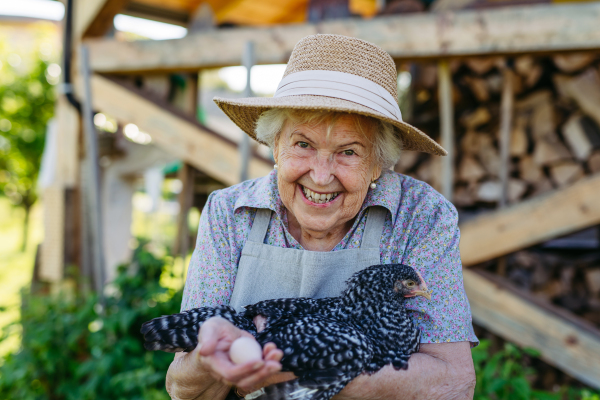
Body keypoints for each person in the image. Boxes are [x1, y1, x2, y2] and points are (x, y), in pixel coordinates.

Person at [165, 34, 478, 400]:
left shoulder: (421, 216)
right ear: (275, 145)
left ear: (379, 163)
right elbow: (182, 388)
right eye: (303, 145)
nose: (321, 175)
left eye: (348, 151)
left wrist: (302, 369)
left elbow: (453, 383)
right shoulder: (230, 212)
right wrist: (214, 357)